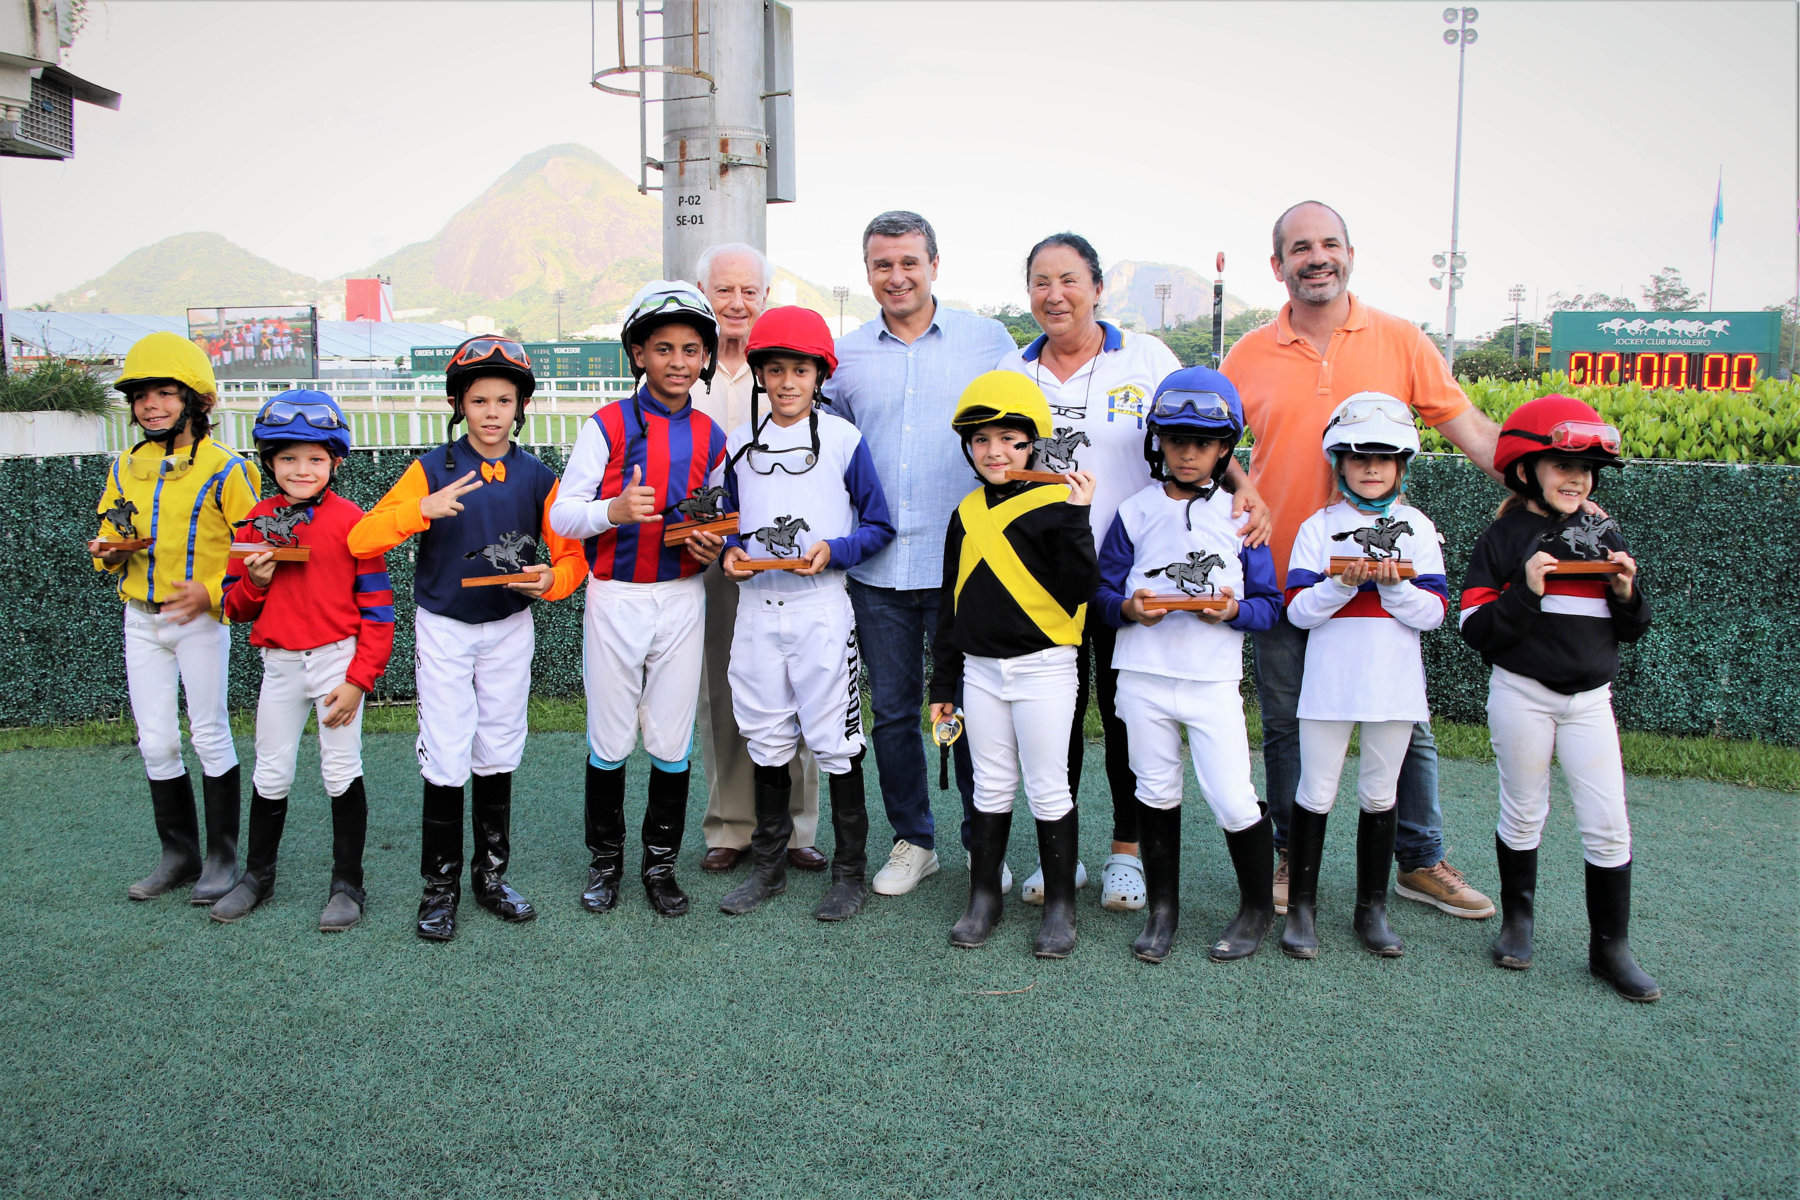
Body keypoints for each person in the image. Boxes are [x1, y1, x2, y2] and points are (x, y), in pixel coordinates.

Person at [1221, 200, 1496, 922]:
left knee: (1408, 728)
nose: (1318, 257)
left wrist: (1539, 489)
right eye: (1301, 247)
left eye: (1330, 243)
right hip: (1289, 577)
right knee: (1285, 722)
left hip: (1386, 583)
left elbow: (1469, 428)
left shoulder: (1402, 340)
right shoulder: (1249, 352)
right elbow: (1212, 444)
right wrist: (1244, 484)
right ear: (1278, 265)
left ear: (1349, 254)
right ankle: (1290, 856)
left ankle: (1419, 859)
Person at [349, 336, 587, 942]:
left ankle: (491, 876)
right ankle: (440, 887)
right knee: (447, 745)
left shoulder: (537, 475)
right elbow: (362, 540)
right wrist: (419, 510)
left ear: (519, 407)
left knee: (501, 744)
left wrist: (552, 582)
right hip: (446, 626)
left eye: (503, 400)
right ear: (459, 404)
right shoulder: (431, 468)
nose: (491, 412)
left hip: (509, 625)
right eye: (478, 399)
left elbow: (570, 557)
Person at [824, 211, 1018, 898]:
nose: (896, 276)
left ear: (936, 263)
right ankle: (914, 841)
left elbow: (1024, 431)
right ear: (867, 270)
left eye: (909, 262)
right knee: (897, 714)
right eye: (882, 264)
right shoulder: (843, 357)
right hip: (878, 569)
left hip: (967, 567)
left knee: (969, 709)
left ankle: (981, 841)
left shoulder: (987, 341)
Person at [997, 232, 1180, 914]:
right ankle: (1061, 856)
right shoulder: (1011, 370)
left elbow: (1200, 436)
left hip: (1129, 577)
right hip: (1044, 579)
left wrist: (1244, 487)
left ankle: (1126, 854)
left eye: (1069, 280)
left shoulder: (1147, 358)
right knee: (1059, 719)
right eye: (1041, 282)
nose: (1055, 295)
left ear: (1098, 288)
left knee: (1127, 717)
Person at [1459, 395, 1659, 1002]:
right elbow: (1475, 630)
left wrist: (1627, 593)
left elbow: (1630, 628)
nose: (1576, 478)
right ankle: (1519, 925)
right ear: (1527, 469)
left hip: (1591, 701)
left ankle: (1611, 949)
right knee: (1524, 811)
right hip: (1521, 694)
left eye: (1585, 469)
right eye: (1562, 465)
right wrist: (1525, 589)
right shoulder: (1502, 537)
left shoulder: (1602, 530)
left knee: (1609, 826)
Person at [549, 281, 728, 919]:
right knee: (609, 735)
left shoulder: (711, 433)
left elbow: (715, 515)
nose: (678, 361)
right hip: (616, 596)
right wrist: (614, 510)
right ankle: (605, 866)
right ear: (638, 354)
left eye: (690, 349)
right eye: (663, 348)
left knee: (674, 738)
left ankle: (660, 867)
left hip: (682, 596)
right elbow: (565, 516)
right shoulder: (606, 424)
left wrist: (711, 546)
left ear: (705, 356)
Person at [1096, 367, 1282, 964]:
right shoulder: (1133, 512)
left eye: (1202, 442)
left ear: (1225, 449)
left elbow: (1270, 606)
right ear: (1158, 441)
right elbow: (1099, 596)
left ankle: (1255, 910)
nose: (1187, 452)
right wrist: (1129, 609)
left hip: (1210, 682)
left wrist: (1232, 611)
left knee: (1232, 796)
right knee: (1155, 790)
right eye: (1175, 439)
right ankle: (1163, 912)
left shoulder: (1241, 516)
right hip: (1142, 677)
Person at [715, 306, 895, 918]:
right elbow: (724, 527)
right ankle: (767, 867)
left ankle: (848, 873)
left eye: (800, 369)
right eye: (775, 369)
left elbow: (879, 524)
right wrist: (729, 553)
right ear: (758, 372)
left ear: (820, 375)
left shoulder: (844, 440)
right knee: (764, 738)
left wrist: (835, 550)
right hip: (755, 610)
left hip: (821, 607)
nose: (787, 382)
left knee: (836, 741)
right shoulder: (737, 446)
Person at [930, 371, 1098, 958]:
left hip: (1046, 669)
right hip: (979, 673)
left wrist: (1077, 514)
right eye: (980, 440)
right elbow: (949, 605)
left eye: (1009, 438)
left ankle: (1059, 907)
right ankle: (984, 896)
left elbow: (1080, 589)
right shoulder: (965, 512)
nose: (994, 451)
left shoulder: (1059, 503)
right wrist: (942, 682)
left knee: (1049, 789)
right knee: (992, 786)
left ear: (1034, 441)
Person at [90, 332, 262, 906]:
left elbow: (256, 549)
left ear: (195, 401)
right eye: (141, 396)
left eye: (165, 393)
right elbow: (113, 535)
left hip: (201, 620)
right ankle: (179, 854)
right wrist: (108, 551)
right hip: (140, 618)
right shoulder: (124, 467)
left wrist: (212, 591)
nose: (151, 406)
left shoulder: (226, 468)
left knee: (210, 733)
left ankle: (222, 857)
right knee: (157, 741)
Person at [214, 391, 394, 930]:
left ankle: (348, 886)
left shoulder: (355, 523)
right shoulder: (253, 522)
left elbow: (380, 612)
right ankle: (256, 878)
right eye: (288, 457)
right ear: (269, 462)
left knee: (340, 768)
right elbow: (232, 605)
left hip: (338, 663)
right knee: (271, 770)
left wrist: (359, 680)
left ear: (335, 462)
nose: (302, 468)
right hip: (281, 666)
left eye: (315, 458)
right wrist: (255, 580)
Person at [1277, 395, 1448, 960]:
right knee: (1316, 792)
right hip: (1328, 683)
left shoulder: (1419, 529)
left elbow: (1434, 614)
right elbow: (1298, 611)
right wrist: (1342, 586)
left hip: (1395, 687)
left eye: (1384, 458)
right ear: (1339, 463)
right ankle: (1301, 908)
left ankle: (1370, 910)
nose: (1371, 468)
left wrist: (1394, 585)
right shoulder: (1318, 527)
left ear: (1402, 464)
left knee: (1380, 795)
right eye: (1357, 457)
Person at [690, 243, 825, 876]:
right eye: (724, 291)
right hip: (714, 557)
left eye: (749, 291)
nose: (737, 303)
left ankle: (798, 825)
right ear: (703, 293)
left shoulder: (788, 367)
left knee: (800, 683)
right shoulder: (687, 368)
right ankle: (731, 824)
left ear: (766, 297)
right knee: (724, 686)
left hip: (792, 559)